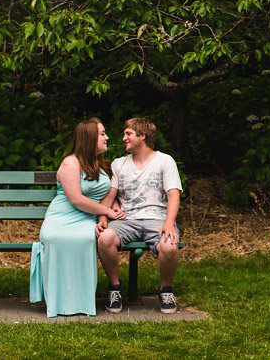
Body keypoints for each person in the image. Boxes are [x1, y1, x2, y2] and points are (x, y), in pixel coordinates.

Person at [29, 117, 124, 317]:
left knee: (86, 239)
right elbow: (76, 199)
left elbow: (110, 193)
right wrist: (106, 212)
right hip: (63, 217)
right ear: (89, 138)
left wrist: (111, 210)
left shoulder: (102, 164)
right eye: (102, 134)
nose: (107, 137)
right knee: (56, 238)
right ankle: (57, 302)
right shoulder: (70, 163)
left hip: (87, 220)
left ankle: (82, 302)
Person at [96, 117, 183, 314]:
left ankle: (166, 289)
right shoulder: (119, 164)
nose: (124, 138)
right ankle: (115, 287)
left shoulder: (164, 161)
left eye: (128, 134)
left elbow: (173, 195)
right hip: (128, 220)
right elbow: (110, 196)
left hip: (158, 219)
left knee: (169, 246)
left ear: (142, 136)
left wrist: (169, 224)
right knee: (105, 238)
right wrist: (103, 218)